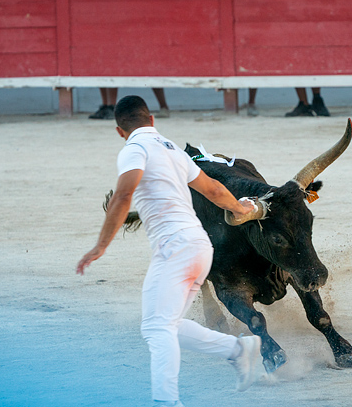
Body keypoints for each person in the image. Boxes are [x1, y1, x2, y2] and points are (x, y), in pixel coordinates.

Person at [76, 95, 263, 407]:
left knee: (156, 327)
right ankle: (238, 351)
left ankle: (166, 402)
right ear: (152, 120)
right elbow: (215, 190)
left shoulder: (134, 149)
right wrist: (239, 207)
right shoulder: (173, 149)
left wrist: (101, 245)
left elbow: (123, 196)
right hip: (199, 248)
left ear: (120, 131)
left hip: (175, 249)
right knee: (165, 325)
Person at [245, 0, 331, 117]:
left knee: (311, 52)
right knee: (293, 53)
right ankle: (304, 102)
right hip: (282, 10)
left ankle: (317, 98)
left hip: (308, 8)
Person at [199, 0, 259, 116]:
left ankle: (251, 102)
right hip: (230, 13)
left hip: (251, 10)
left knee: (251, 56)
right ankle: (240, 102)